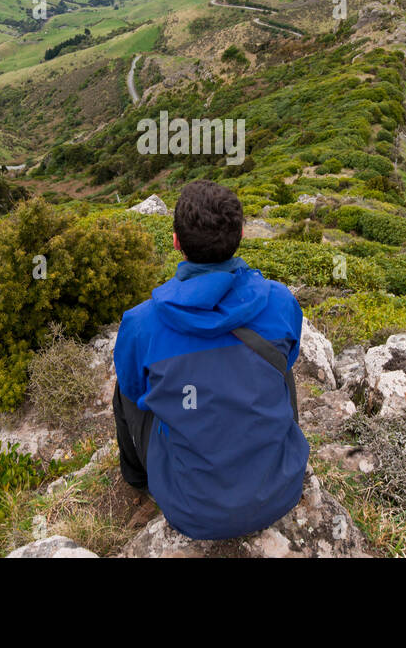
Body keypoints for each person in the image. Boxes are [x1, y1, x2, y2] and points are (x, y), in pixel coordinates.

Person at [112, 180, 309, 540]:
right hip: (282, 489)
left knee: (124, 388)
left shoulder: (141, 324)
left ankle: (138, 479)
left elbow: (135, 392)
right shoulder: (280, 301)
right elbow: (290, 355)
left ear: (175, 241)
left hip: (192, 509)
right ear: (242, 234)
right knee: (277, 364)